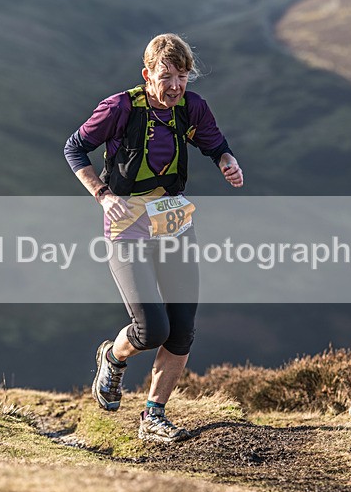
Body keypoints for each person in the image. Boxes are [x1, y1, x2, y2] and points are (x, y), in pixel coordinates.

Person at [64, 33, 244, 442]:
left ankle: (153, 416)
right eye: (167, 76)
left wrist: (227, 162)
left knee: (182, 330)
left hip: (173, 220)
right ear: (148, 75)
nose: (176, 86)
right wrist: (103, 195)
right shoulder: (120, 108)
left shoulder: (191, 107)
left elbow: (216, 144)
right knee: (151, 329)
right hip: (126, 222)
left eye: (183, 76)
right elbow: (75, 148)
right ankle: (111, 357)